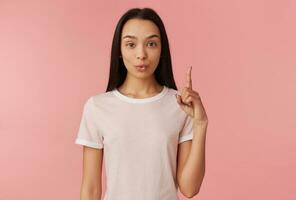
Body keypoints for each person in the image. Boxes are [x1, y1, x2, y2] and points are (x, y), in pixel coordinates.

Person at [75, 7, 208, 200]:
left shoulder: (179, 105)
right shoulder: (97, 107)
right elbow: (91, 189)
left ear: (162, 50)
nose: (141, 54)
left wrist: (200, 124)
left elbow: (189, 188)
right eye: (131, 44)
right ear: (119, 50)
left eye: (151, 44)